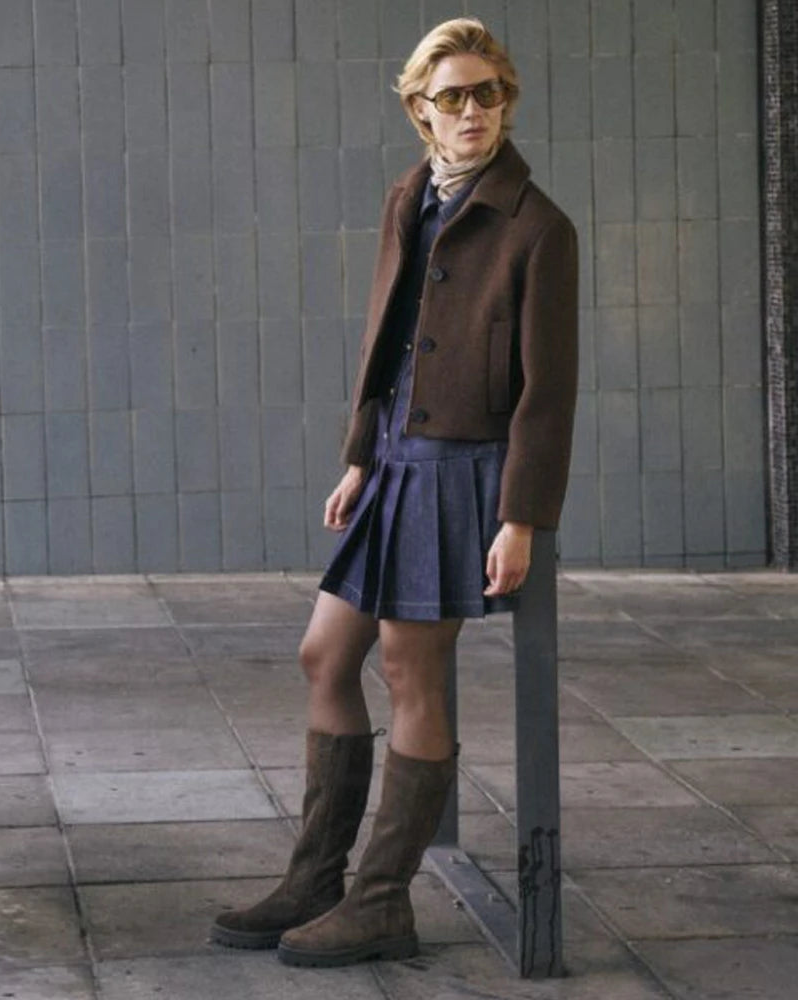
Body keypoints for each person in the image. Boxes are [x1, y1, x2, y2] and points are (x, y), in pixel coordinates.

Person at [211, 17, 578, 968]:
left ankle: (380, 903)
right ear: (420, 109)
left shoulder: (539, 227)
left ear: (507, 102)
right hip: (395, 465)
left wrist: (523, 518)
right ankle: (316, 877)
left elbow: (550, 391)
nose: (473, 112)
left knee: (412, 673)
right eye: (452, 96)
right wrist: (359, 456)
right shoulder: (408, 197)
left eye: (488, 93)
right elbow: (388, 340)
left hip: (465, 476)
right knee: (322, 655)